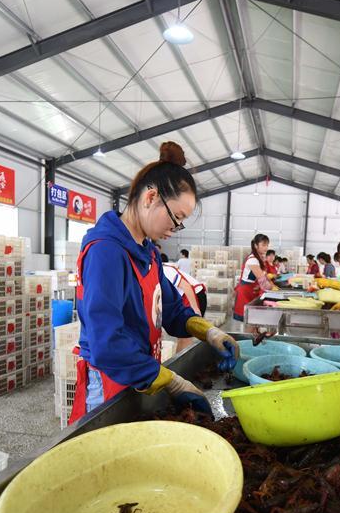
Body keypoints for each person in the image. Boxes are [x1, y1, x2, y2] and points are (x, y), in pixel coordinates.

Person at [70, 141, 238, 424]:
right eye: (177, 217)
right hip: (110, 380)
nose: (175, 228)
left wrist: (210, 333)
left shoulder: (147, 252)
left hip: (139, 372)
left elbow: (171, 309)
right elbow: (105, 342)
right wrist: (171, 381)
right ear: (150, 198)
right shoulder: (106, 252)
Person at [162, 256, 208, 353]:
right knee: (182, 336)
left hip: (193, 295)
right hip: (182, 297)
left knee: (185, 336)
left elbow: (186, 286)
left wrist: (195, 309)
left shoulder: (164, 270)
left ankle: (179, 366)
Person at [233, 233, 277, 322]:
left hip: (252, 292)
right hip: (245, 294)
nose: (266, 248)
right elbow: (263, 282)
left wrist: (274, 286)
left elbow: (264, 276)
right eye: (263, 245)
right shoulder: (253, 260)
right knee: (245, 322)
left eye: (267, 245)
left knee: (251, 321)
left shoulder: (259, 259)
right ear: (256, 245)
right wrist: (274, 291)